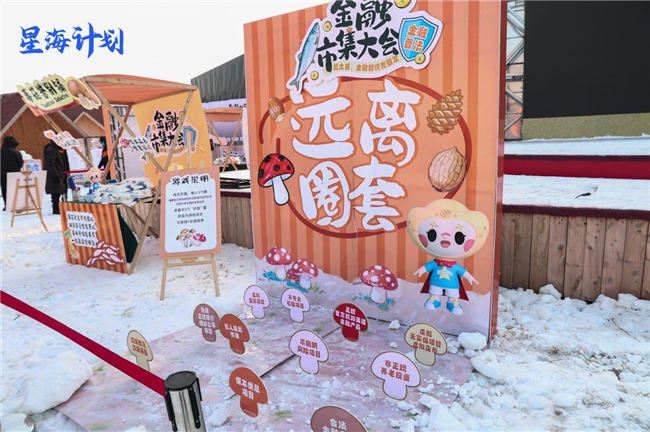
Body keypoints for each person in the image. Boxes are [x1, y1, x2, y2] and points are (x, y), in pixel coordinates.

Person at [0, 136, 24, 211]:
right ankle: (17, 205)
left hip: (2, 174)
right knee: (15, 189)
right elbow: (20, 163)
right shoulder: (16, 152)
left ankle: (7, 205)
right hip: (14, 174)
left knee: (5, 189)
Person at [43, 139, 67, 215]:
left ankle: (59, 208)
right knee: (56, 193)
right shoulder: (51, 150)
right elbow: (51, 164)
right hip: (54, 175)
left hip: (59, 173)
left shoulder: (56, 149)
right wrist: (55, 175)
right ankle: (56, 209)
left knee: (59, 191)